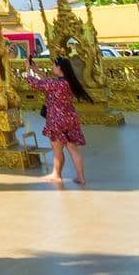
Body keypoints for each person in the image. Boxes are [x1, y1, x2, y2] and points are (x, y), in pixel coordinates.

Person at [25, 54, 91, 185]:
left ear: (59, 67)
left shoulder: (55, 84)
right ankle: (81, 177)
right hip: (70, 117)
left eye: (54, 65)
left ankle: (57, 174)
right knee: (72, 148)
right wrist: (37, 70)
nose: (52, 67)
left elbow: (35, 84)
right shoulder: (68, 82)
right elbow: (48, 82)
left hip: (57, 119)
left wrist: (27, 70)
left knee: (57, 149)